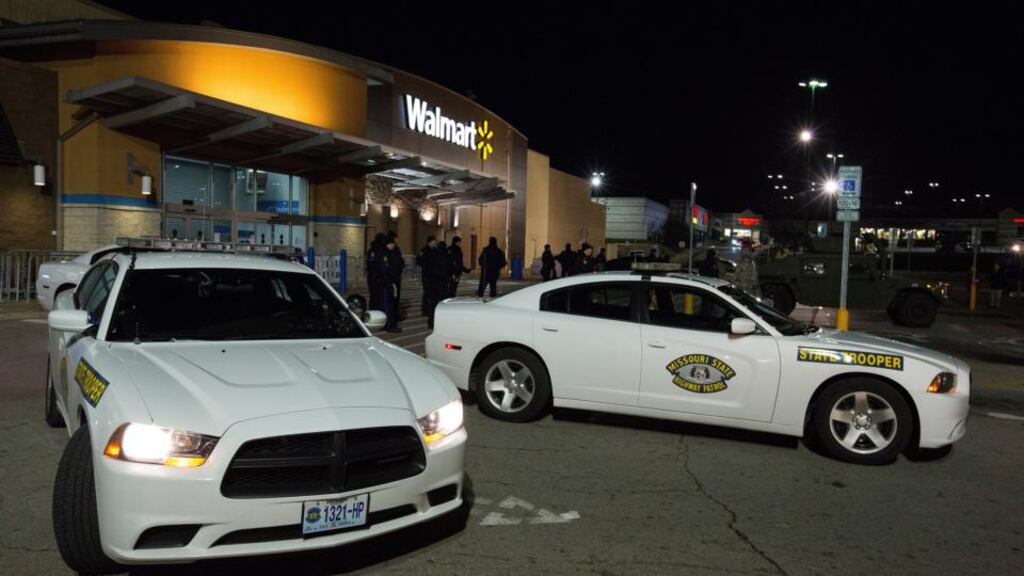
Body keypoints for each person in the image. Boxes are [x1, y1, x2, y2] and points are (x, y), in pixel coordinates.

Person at [425, 240, 452, 328]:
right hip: (441, 284)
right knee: (442, 304)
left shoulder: (431, 256)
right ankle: (441, 322)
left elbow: (427, 269)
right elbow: (449, 270)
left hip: (432, 283)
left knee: (432, 304)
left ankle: (431, 322)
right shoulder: (446, 257)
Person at [382, 235, 404, 332]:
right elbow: (384, 270)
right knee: (389, 305)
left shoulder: (393, 253)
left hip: (394, 281)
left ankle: (391, 323)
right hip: (388, 282)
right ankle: (390, 326)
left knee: (393, 304)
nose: (393, 245)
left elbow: (399, 264)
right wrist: (388, 283)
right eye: (392, 243)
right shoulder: (384, 254)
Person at [386, 231, 405, 321]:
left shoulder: (396, 249)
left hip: (396, 276)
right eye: (396, 238)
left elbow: (400, 261)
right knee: (392, 298)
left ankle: (396, 315)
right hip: (391, 278)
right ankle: (392, 317)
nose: (397, 240)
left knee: (396, 297)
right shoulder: (388, 251)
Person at [416, 236, 437, 316]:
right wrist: (425, 265)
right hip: (426, 275)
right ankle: (425, 310)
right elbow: (418, 260)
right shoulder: (424, 250)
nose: (435, 244)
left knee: (433, 294)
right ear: (429, 242)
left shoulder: (435, 250)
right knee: (427, 293)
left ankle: (431, 309)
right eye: (433, 242)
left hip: (434, 276)